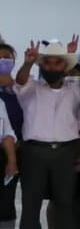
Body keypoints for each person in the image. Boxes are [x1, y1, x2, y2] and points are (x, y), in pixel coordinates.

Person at [9, 40, 80, 229]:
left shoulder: (74, 90)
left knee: (64, 204)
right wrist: (28, 63)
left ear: (65, 66)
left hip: (66, 153)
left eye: (58, 62)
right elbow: (20, 82)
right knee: (31, 205)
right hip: (34, 153)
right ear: (41, 65)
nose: (52, 67)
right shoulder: (31, 87)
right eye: (47, 63)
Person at [0, 44, 21, 227]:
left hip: (14, 150)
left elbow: (8, 130)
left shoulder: (20, 88)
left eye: (7, 58)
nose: (3, 61)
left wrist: (12, 159)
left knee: (7, 200)